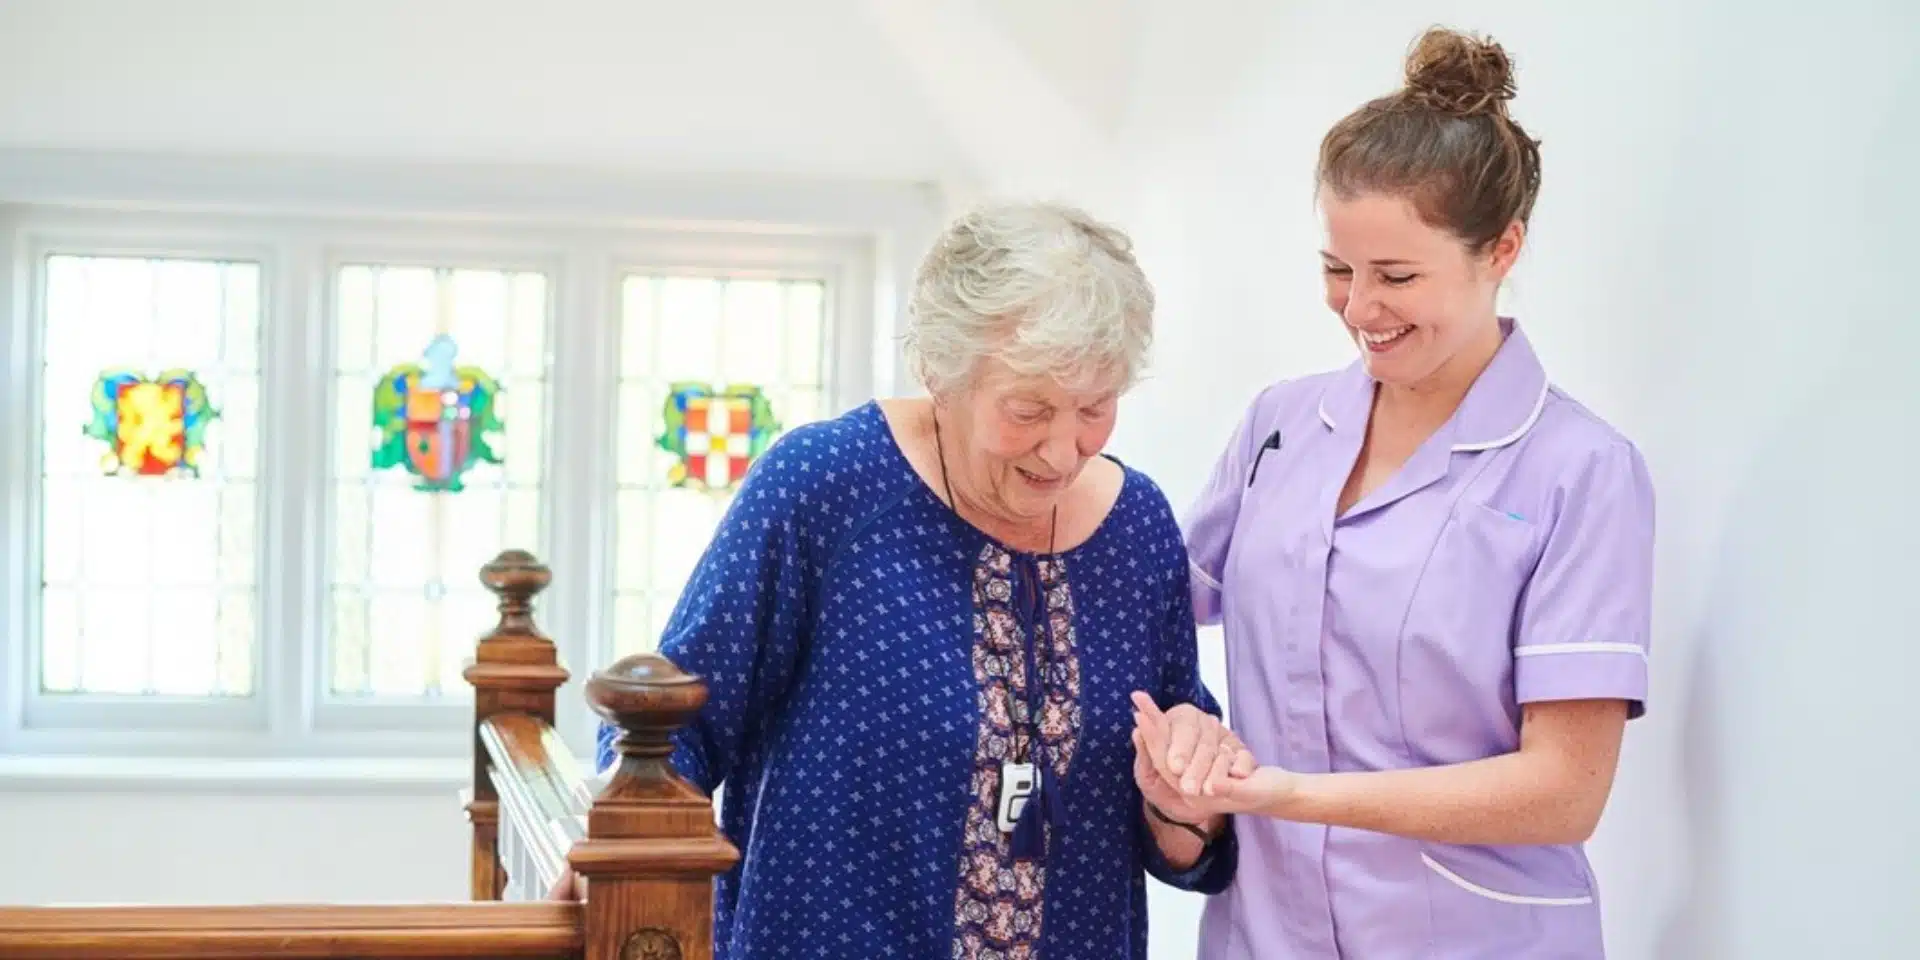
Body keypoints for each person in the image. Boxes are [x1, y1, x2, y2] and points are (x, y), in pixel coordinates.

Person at [566, 201, 1246, 959]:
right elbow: (677, 724)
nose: (1062, 450)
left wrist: (1190, 805)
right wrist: (621, 849)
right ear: (939, 373)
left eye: (1094, 408)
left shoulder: (1136, 526)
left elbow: (1181, 821)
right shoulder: (824, 488)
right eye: (1028, 409)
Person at [1132, 26, 1656, 959]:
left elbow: (1564, 792)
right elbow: (1150, 599)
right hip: (1264, 933)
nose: (1360, 308)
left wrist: (1286, 794)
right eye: (1338, 270)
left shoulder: (1579, 470)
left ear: (1502, 248)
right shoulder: (1281, 427)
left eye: (1398, 276)